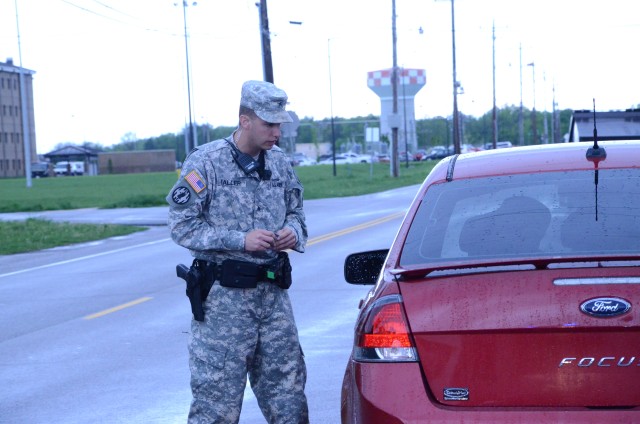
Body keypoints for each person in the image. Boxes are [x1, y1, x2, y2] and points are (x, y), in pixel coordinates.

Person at [167, 80, 309, 424]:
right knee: (216, 405)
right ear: (245, 120)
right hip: (224, 305)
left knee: (289, 401)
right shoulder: (207, 163)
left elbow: (297, 214)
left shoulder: (279, 162)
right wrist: (239, 240)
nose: (277, 132)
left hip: (274, 300)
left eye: (280, 124)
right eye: (269, 124)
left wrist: (293, 232)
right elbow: (182, 226)